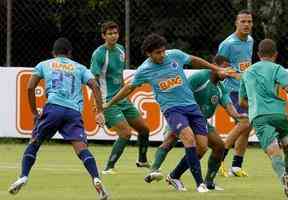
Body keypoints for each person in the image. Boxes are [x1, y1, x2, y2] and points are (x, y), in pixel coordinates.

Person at [102, 33, 230, 192]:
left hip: (191, 106)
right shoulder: (144, 70)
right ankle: (200, 184)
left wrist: (215, 67)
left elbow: (194, 60)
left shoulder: (174, 55)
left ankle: (174, 175)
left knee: (202, 148)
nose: (162, 55)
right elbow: (129, 87)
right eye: (158, 53)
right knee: (188, 138)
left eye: (163, 51)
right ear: (149, 53)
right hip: (172, 109)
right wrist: (110, 103)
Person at [8, 38, 109, 200]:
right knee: (81, 148)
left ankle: (23, 176)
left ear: (53, 53)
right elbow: (95, 86)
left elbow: (30, 86)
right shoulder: (80, 67)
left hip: (53, 107)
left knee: (34, 142)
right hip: (73, 112)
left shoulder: (44, 64)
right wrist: (99, 112)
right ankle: (96, 178)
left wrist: (34, 112)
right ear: (70, 53)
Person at [144, 55, 246, 190]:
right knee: (170, 140)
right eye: (224, 67)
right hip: (182, 113)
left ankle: (205, 182)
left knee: (218, 146)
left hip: (199, 120)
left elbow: (229, 106)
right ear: (214, 66)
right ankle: (153, 170)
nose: (227, 71)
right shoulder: (201, 77)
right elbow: (182, 91)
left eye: (230, 69)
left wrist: (239, 116)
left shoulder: (221, 87)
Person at [239, 38, 288, 200]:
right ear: (276, 54)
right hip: (279, 114)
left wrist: (256, 104)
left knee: (273, 151)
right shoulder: (278, 68)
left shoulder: (247, 72)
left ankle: (283, 176)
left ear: (258, 54)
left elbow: (241, 101)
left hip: (259, 116)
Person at [90, 21, 150, 174]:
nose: (113, 36)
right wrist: (98, 108)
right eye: (109, 33)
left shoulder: (121, 50)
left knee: (144, 129)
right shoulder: (99, 54)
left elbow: (119, 75)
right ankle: (109, 167)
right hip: (106, 101)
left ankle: (142, 161)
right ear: (103, 36)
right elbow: (94, 82)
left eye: (115, 33)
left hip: (121, 99)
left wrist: (125, 94)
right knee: (126, 133)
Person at [217, 9, 254, 177]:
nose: (246, 24)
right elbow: (220, 67)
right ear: (236, 23)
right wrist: (238, 75)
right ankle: (218, 160)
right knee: (244, 123)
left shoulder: (250, 41)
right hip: (230, 90)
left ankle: (236, 166)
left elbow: (247, 64)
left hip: (245, 90)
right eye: (243, 21)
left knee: (247, 127)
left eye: (249, 22)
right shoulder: (228, 44)